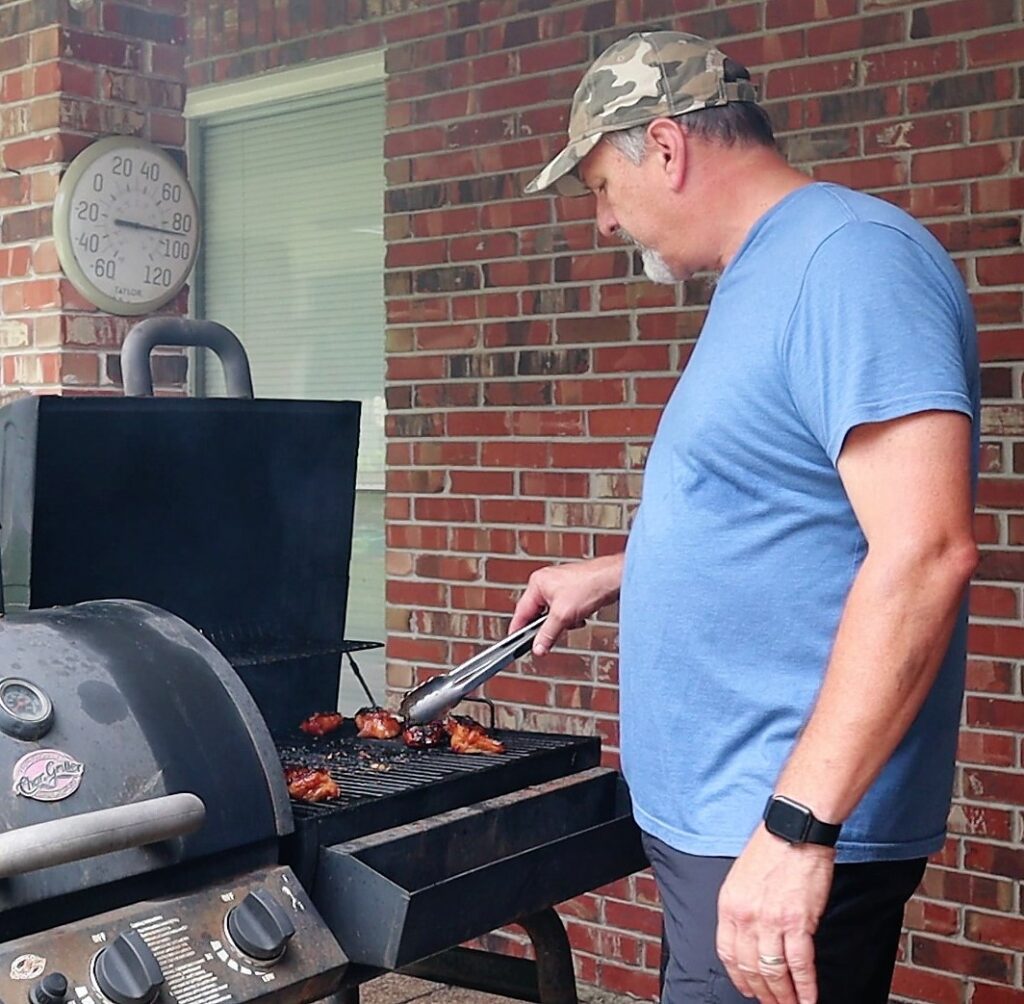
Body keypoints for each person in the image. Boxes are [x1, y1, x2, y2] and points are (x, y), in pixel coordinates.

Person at [511, 30, 979, 1004]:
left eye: (599, 185)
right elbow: (774, 508)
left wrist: (797, 826)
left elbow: (924, 551)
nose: (601, 221)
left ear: (667, 148)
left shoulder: (851, 261)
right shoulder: (766, 273)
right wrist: (617, 570)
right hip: (729, 824)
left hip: (778, 824)